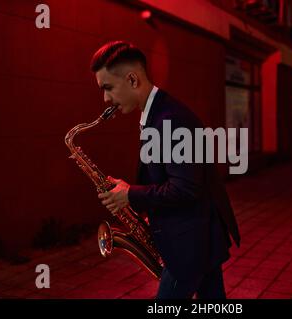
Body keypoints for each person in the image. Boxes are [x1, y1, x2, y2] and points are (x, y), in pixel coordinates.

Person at [91, 41, 240, 299]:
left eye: (108, 88)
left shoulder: (169, 119)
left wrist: (130, 194)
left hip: (191, 244)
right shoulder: (158, 113)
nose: (105, 98)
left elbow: (185, 188)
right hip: (199, 238)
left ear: (132, 79)